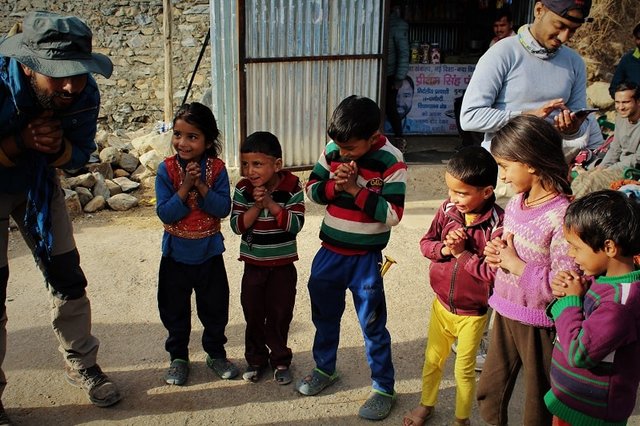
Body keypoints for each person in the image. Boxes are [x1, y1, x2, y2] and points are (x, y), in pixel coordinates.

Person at [0, 11, 121, 418]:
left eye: (79, 72)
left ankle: (82, 365)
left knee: (67, 274)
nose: (71, 85)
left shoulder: (80, 93)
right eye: (58, 73)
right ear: (28, 65)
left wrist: (55, 149)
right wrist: (17, 144)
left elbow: (79, 155)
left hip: (37, 183)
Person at [296, 95, 407, 421]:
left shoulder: (391, 161)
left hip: (365, 260)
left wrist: (357, 189)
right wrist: (335, 185)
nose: (342, 154)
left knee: (372, 325)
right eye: (338, 148)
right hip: (329, 253)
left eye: (351, 149)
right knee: (324, 316)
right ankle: (324, 368)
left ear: (373, 137)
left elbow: (392, 214)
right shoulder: (333, 150)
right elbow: (313, 190)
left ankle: (384, 387)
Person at [478, 115, 578, 425]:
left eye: (506, 167)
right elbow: (506, 245)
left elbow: (566, 284)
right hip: (505, 312)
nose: (503, 177)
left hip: (539, 324)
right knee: (489, 391)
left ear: (531, 164)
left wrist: (516, 265)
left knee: (538, 401)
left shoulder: (561, 215)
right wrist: (496, 252)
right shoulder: (515, 204)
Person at [403, 147, 504, 426]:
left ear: (486, 192)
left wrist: (463, 254)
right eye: (450, 190)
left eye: (461, 193)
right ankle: (426, 405)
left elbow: (493, 274)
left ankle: (462, 419)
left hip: (472, 314)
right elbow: (426, 244)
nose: (453, 198)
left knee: (464, 369)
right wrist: (445, 251)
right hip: (441, 306)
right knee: (433, 361)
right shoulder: (447, 210)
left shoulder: (499, 225)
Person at [155, 102, 238, 386]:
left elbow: (222, 208)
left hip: (209, 254)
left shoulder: (217, 169)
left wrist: (201, 185)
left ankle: (215, 354)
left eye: (192, 136)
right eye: (178, 134)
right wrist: (185, 186)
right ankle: (178, 358)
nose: (183, 142)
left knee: (215, 308)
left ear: (208, 140)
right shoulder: (165, 170)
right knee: (174, 309)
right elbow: (165, 213)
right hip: (176, 255)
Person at [544, 190, 640, 425]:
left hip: (589, 416)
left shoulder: (621, 304)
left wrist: (570, 302)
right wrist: (569, 292)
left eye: (576, 247)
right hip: (571, 403)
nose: (570, 254)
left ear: (609, 247)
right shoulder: (602, 279)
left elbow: (579, 353)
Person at [461, 0, 593, 155]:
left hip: (549, 166)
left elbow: (582, 125)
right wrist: (527, 118)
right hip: (504, 169)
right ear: (538, 10)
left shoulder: (574, 62)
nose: (564, 37)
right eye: (560, 26)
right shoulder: (502, 53)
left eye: (572, 30)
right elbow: (470, 116)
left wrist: (573, 128)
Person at [229, 131, 305, 385]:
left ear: (277, 165)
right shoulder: (243, 189)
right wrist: (256, 206)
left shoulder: (292, 186)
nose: (250, 171)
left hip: (283, 267)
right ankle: (255, 359)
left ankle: (281, 359)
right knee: (253, 313)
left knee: (280, 313)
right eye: (246, 164)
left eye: (258, 164)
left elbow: (295, 224)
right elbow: (237, 226)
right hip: (253, 266)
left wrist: (271, 204)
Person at [571, 82, 640, 198]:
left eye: (626, 102)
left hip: (630, 171)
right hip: (617, 166)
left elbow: (636, 159)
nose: (620, 107)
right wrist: (602, 167)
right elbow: (615, 149)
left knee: (590, 183)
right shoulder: (621, 118)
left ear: (638, 102)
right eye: (617, 102)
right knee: (580, 179)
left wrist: (606, 171)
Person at [385, 2, 410, 151]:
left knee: (390, 107)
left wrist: (399, 77)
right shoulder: (378, 21)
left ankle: (400, 139)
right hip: (377, 71)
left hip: (390, 75)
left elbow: (403, 52)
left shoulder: (398, 25)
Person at [609, 23, 640, 98]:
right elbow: (613, 88)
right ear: (635, 39)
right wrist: (626, 101)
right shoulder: (627, 60)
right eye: (639, 38)